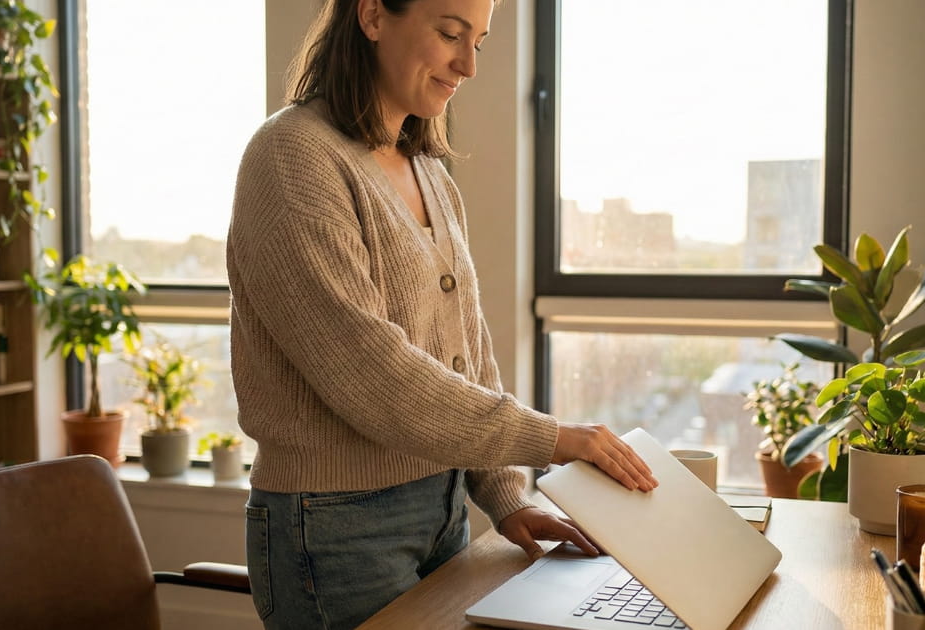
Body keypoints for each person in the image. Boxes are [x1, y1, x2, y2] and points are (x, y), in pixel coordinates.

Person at [226, 0, 658, 628]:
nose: (469, 64)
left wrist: (505, 497)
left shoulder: (429, 171)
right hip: (333, 524)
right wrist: (556, 439)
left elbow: (467, 355)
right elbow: (373, 376)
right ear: (373, 16)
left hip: (443, 508)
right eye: (451, 33)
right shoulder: (292, 156)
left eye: (478, 41)